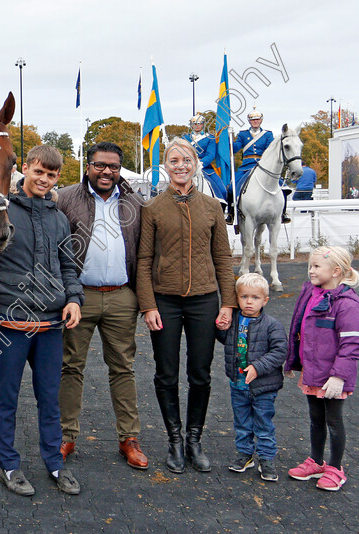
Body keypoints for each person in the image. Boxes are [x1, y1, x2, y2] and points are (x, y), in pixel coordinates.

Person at [0, 145, 84, 497]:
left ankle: (55, 463)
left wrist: (73, 299)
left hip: (52, 324)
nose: (44, 179)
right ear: (25, 168)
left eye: (52, 175)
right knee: (6, 398)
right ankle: (9, 464)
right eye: (39, 172)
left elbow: (69, 266)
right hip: (11, 322)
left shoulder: (58, 218)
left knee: (50, 399)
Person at [137, 138, 236, 474]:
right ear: (165, 166)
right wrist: (148, 305)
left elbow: (222, 257)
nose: (180, 165)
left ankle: (194, 440)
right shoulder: (151, 209)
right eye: (173, 160)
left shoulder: (212, 208)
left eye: (187, 160)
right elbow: (144, 258)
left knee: (200, 373)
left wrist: (229, 304)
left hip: (205, 301)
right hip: (164, 301)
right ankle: (174, 440)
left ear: (196, 164)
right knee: (166, 373)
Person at [56, 142, 148, 469]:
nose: (106, 171)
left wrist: (144, 298)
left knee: (123, 367)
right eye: (99, 165)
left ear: (119, 169)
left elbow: (146, 253)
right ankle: (65, 436)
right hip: (79, 296)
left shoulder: (136, 202)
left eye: (112, 166)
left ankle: (129, 438)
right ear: (88, 166)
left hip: (123, 296)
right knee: (71, 366)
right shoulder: (64, 199)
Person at [284, 246, 359, 492]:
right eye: (311, 265)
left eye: (317, 266)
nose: (311, 270)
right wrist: (292, 361)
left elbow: (352, 342)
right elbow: (299, 329)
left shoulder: (347, 304)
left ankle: (335, 468)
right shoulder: (312, 294)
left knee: (333, 420)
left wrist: (339, 376)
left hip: (333, 377)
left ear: (337, 271)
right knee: (315, 418)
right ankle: (316, 462)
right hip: (314, 372)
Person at [217, 273, 287, 482]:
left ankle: (266, 458)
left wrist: (257, 366)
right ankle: (245, 455)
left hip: (263, 386)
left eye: (255, 297)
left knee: (263, 423)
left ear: (265, 300)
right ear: (236, 298)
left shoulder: (272, 325)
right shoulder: (234, 321)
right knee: (241, 423)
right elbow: (226, 341)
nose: (249, 301)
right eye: (244, 296)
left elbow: (280, 351)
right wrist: (220, 328)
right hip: (237, 383)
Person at [227, 108, 290, 224]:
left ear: (261, 120)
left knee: (283, 186)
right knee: (232, 187)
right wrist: (229, 137)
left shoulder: (267, 134)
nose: (255, 121)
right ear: (249, 121)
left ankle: (283, 213)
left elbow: (270, 150)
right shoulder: (243, 134)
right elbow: (235, 149)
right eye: (253, 120)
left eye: (257, 119)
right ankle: (230, 213)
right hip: (247, 166)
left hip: (263, 166)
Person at [182, 114, 226, 200]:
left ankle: (222, 211)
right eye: (195, 123)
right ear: (191, 125)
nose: (197, 125)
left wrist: (198, 164)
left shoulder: (209, 138)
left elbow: (210, 155)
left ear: (203, 124)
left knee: (222, 190)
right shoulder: (185, 138)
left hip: (205, 168)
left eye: (199, 123)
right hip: (187, 168)